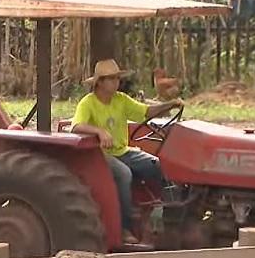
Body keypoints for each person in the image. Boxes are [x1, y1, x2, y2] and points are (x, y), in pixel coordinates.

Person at [70, 59, 183, 244]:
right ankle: (124, 228)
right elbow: (76, 127)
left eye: (117, 78)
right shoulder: (88, 103)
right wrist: (99, 131)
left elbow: (146, 112)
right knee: (124, 174)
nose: (116, 82)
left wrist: (170, 104)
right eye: (111, 79)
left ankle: (165, 216)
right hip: (98, 155)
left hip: (122, 151)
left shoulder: (120, 100)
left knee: (155, 165)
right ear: (100, 82)